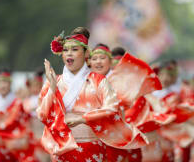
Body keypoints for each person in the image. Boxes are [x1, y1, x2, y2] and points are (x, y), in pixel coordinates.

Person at [37, 27, 150, 162]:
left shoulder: (98, 81)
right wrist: (53, 88)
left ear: (86, 54)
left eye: (75, 50)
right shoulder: (54, 81)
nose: (69, 54)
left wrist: (83, 119)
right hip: (62, 149)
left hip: (91, 148)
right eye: (66, 50)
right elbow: (42, 115)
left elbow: (112, 108)